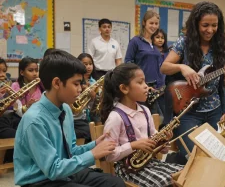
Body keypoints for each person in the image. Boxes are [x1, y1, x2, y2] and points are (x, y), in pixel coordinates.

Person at [14, 49, 125, 187]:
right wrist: (93, 154)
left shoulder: (65, 108)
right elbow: (53, 169)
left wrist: (95, 144)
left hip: (64, 172)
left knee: (115, 183)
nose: (80, 89)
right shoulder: (35, 121)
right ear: (57, 83)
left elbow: (71, 151)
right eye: (76, 84)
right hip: (41, 180)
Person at [160, 1, 225, 158]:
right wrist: (182, 67)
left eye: (214, 25)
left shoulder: (223, 46)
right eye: (205, 25)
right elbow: (164, 67)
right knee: (193, 155)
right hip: (188, 110)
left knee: (216, 155)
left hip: (215, 110)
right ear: (196, 24)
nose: (210, 30)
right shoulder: (185, 42)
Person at [101, 63, 183, 187]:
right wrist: (134, 145)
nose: (146, 87)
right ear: (124, 88)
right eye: (140, 82)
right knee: (164, 182)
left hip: (150, 163)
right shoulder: (115, 117)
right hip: (128, 171)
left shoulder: (145, 110)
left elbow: (155, 139)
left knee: (184, 172)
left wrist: (163, 140)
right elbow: (109, 155)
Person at [125, 10, 163, 115]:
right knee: (140, 117)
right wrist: (141, 83)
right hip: (141, 87)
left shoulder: (154, 44)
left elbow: (158, 67)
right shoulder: (135, 41)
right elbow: (128, 63)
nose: (154, 26)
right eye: (151, 23)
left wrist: (159, 87)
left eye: (156, 23)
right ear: (144, 23)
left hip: (154, 90)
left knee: (155, 121)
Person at [73, 53, 100, 143]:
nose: (88, 67)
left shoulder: (94, 82)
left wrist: (94, 97)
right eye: (85, 64)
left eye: (90, 64)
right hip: (77, 117)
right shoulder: (74, 80)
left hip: (88, 116)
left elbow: (94, 105)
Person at [151, 28, 169, 117]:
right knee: (155, 113)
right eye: (157, 37)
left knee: (166, 113)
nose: (160, 39)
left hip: (165, 87)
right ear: (152, 38)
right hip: (153, 86)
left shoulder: (168, 53)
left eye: (162, 37)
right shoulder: (150, 52)